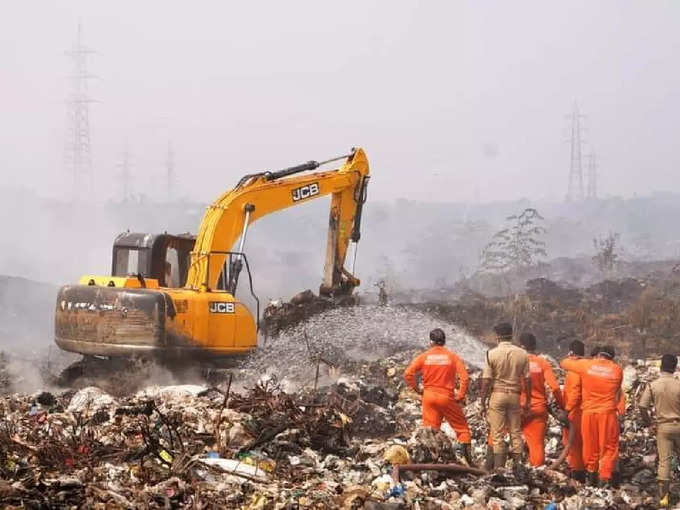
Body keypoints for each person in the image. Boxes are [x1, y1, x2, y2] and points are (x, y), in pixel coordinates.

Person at [404, 328, 473, 465]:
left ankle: (431, 463)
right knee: (462, 429)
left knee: (431, 431)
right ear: (444, 341)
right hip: (446, 397)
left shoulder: (424, 356)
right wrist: (460, 395)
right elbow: (464, 378)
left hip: (428, 397)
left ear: (431, 342)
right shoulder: (452, 356)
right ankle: (468, 461)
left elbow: (408, 373)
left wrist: (417, 389)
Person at [560, 345, 623, 487]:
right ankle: (604, 479)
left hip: (588, 413)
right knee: (608, 448)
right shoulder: (617, 369)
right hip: (607, 414)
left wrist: (576, 358)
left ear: (599, 355)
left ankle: (591, 476)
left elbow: (563, 363)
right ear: (611, 357)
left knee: (590, 446)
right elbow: (617, 393)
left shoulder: (587, 365)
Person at [480, 322, 531, 472]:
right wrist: (527, 400)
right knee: (516, 431)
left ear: (497, 336)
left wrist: (483, 401)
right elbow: (527, 379)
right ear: (512, 335)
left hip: (498, 395)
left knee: (497, 434)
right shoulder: (522, 354)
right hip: (515, 396)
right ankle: (517, 466)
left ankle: (499, 468)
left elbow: (486, 380)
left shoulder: (491, 353)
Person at [639, 354, 680, 508]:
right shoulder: (679, 384)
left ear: (661, 366)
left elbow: (642, 406)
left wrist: (649, 423)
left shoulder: (653, 385)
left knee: (664, 462)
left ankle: (664, 498)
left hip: (663, 428)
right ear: (675, 367)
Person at [519, 333, 564, 467]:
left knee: (500, 439)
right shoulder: (542, 362)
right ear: (535, 346)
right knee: (537, 445)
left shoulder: (515, 361)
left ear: (521, 346)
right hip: (538, 409)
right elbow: (555, 387)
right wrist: (562, 406)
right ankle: (537, 474)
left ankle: (502, 472)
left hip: (517, 408)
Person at [561, 340, 586, 481]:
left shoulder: (575, 369)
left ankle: (577, 473)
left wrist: (566, 410)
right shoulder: (586, 367)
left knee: (574, 443)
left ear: (571, 353)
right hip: (584, 410)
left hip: (576, 411)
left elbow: (575, 392)